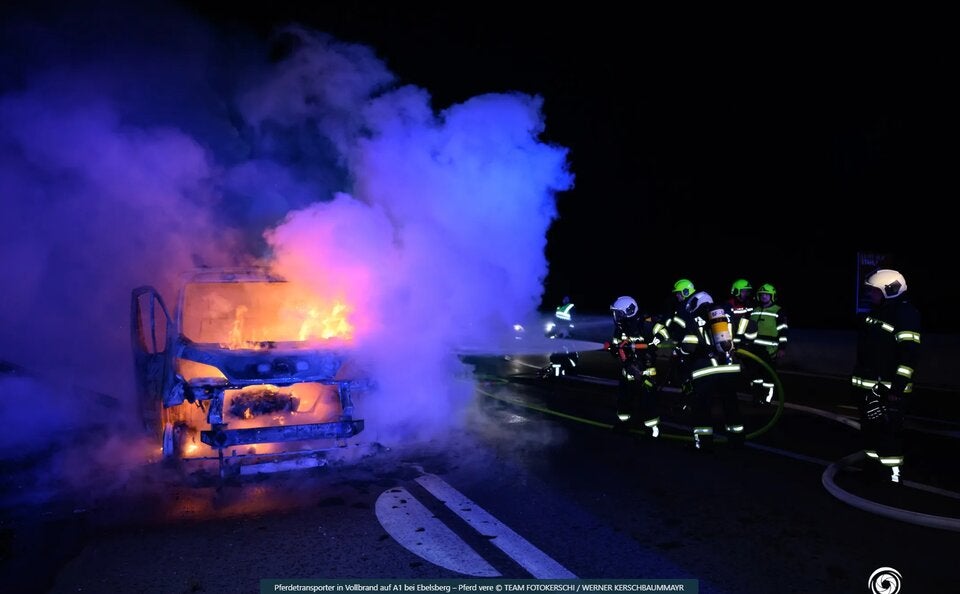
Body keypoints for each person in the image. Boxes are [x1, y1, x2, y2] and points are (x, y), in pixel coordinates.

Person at [851, 269, 920, 484]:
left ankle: (892, 477)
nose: (871, 294)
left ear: (890, 290)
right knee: (870, 432)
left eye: (875, 291)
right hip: (869, 388)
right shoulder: (876, 312)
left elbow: (909, 355)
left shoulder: (905, 314)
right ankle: (872, 471)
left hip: (888, 390)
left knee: (888, 434)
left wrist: (897, 388)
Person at [673, 290, 744, 450]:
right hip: (728, 367)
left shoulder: (693, 318)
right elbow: (743, 334)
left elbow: (689, 345)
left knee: (702, 406)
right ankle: (737, 440)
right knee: (731, 404)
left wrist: (679, 351)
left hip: (705, 368)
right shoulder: (726, 315)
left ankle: (704, 443)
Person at [606, 296, 668, 436]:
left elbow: (664, 331)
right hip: (628, 371)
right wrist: (614, 349)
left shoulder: (644, 323)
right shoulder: (620, 328)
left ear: (629, 311)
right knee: (623, 401)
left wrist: (654, 343)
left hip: (646, 372)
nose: (616, 316)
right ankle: (623, 423)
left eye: (618, 313)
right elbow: (617, 346)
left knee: (648, 403)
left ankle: (652, 430)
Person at [744, 283, 788, 404]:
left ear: (772, 296)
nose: (764, 296)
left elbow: (783, 331)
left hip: (770, 350)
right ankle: (756, 397)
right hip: (754, 350)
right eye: (762, 294)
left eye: (767, 295)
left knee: (768, 376)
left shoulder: (778, 311)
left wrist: (782, 348)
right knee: (754, 375)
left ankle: (767, 399)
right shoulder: (754, 310)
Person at [543, 296, 579, 377]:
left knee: (567, 352)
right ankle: (560, 370)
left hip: (566, 334)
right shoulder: (559, 308)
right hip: (560, 333)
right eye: (564, 298)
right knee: (556, 354)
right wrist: (550, 333)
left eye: (567, 298)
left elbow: (573, 321)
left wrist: (568, 332)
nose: (565, 300)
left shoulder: (571, 307)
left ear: (569, 299)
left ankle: (569, 369)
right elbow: (555, 321)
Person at [727, 279, 755, 348]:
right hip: (730, 338)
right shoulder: (728, 304)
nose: (746, 294)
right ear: (736, 291)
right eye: (744, 291)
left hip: (744, 340)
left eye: (747, 291)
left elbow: (750, 320)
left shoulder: (749, 304)